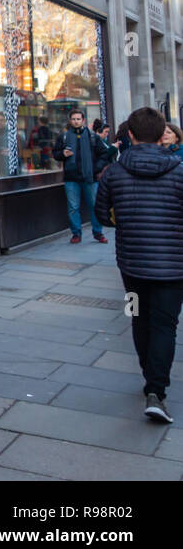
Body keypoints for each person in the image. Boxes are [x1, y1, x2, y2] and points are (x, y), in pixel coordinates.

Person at [95, 107, 183, 423]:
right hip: (173, 266)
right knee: (164, 325)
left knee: (137, 318)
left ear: (129, 135)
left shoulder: (114, 173)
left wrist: (128, 221)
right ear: (162, 135)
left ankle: (150, 375)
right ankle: (156, 389)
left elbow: (102, 215)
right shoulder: (179, 170)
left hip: (131, 265)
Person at [58, 108, 109, 244]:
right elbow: (55, 153)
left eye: (78, 119)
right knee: (73, 207)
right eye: (73, 119)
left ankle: (98, 233)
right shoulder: (64, 136)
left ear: (83, 120)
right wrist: (63, 154)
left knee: (94, 206)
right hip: (71, 178)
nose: (76, 121)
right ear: (70, 120)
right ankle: (76, 234)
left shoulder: (93, 136)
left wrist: (95, 169)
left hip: (90, 178)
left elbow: (105, 154)